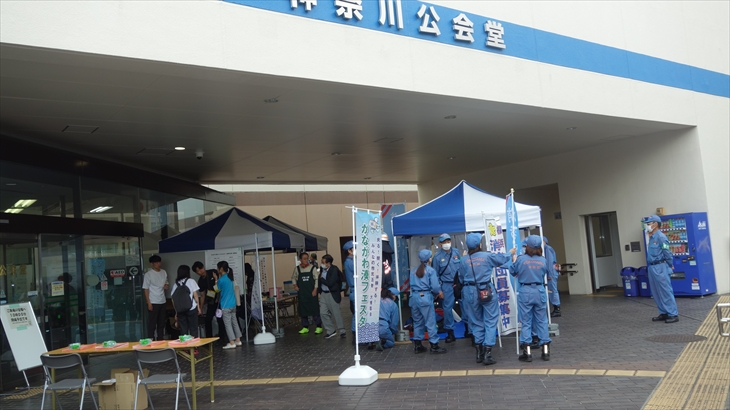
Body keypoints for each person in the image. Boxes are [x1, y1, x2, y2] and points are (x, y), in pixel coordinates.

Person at [459, 233, 515, 365]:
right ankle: (487, 352)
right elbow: (502, 259)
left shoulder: (463, 259)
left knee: (475, 320)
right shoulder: (487, 256)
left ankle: (479, 352)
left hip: (469, 291)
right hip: (485, 289)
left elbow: (461, 277)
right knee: (490, 320)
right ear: (480, 244)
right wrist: (510, 253)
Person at [509, 235, 552, 362]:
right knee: (542, 320)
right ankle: (545, 350)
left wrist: (514, 261)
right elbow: (547, 272)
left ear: (527, 246)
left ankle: (527, 352)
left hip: (526, 291)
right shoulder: (543, 260)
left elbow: (513, 271)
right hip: (540, 290)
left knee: (526, 321)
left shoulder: (521, 259)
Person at [409, 249, 447, 354]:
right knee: (430, 321)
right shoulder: (430, 271)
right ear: (429, 259)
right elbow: (435, 287)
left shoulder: (413, 271)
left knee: (417, 321)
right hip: (424, 297)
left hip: (414, 297)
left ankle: (418, 345)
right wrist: (439, 292)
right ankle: (434, 345)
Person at [643, 215, 679, 323]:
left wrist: (670, 264)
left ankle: (673, 314)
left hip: (660, 266)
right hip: (652, 267)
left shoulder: (661, 237)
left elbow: (667, 252)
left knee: (665, 291)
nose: (647, 226)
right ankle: (663, 312)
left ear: (655, 224)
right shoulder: (651, 237)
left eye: (649, 223)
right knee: (656, 292)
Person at [431, 233, 462, 343]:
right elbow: (435, 275)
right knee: (448, 309)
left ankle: (470, 330)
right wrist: (439, 290)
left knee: (465, 305)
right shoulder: (437, 257)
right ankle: (450, 332)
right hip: (446, 285)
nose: (447, 243)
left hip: (459, 284)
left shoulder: (456, 252)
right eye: (444, 242)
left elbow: (461, 267)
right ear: (440, 244)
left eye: (448, 241)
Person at [192, 261, 227, 342]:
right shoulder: (200, 281)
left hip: (220, 300)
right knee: (208, 319)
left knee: (220, 319)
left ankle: (222, 338)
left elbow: (221, 284)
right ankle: (209, 339)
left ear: (203, 267)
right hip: (211, 301)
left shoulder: (213, 272)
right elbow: (202, 295)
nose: (201, 271)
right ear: (196, 273)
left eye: (201, 268)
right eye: (198, 271)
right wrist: (200, 308)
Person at [317, 254, 347, 339]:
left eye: (323, 262)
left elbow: (330, 283)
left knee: (336, 313)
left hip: (332, 293)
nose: (322, 264)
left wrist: (321, 279)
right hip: (324, 293)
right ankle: (330, 330)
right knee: (323, 313)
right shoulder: (322, 269)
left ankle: (342, 330)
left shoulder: (334, 269)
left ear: (328, 263)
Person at [292, 252, 322, 334]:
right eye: (304, 259)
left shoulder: (312, 268)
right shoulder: (297, 269)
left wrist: (315, 289)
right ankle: (305, 327)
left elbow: (316, 279)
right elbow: (293, 278)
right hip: (302, 293)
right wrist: (295, 285)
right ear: (300, 260)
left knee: (314, 309)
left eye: (307, 259)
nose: (306, 260)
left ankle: (319, 326)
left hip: (312, 293)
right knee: (303, 310)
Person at [217, 261, 243, 349]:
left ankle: (232, 342)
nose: (217, 269)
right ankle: (238, 340)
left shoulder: (221, 280)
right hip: (233, 304)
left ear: (221, 269)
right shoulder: (230, 277)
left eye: (218, 268)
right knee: (234, 322)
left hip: (225, 305)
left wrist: (216, 279)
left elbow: (217, 290)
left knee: (228, 324)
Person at [170, 265, 201, 337]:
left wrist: (176, 312)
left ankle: (185, 344)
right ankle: (194, 344)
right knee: (193, 329)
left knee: (183, 330)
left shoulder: (175, 284)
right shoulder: (191, 281)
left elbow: (173, 300)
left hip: (180, 311)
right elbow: (195, 295)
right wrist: (198, 307)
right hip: (191, 308)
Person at [143, 255, 169, 340]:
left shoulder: (163, 272)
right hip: (153, 301)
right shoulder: (148, 274)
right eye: (156, 262)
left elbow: (166, 282)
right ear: (151, 264)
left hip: (162, 300)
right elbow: (146, 289)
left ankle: (160, 339)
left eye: (159, 262)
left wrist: (166, 285)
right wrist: (148, 303)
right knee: (152, 323)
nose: (159, 264)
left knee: (161, 323)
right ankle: (151, 340)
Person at [543, 236, 562, 317]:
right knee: (552, 290)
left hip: (551, 273)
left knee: (552, 290)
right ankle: (556, 308)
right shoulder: (546, 248)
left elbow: (549, 263)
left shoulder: (547, 248)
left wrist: (549, 274)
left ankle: (557, 309)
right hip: (551, 272)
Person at [343, 240, 357, 344]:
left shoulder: (351, 261)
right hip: (355, 289)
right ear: (349, 250)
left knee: (357, 314)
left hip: (355, 289)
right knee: (357, 314)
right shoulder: (350, 262)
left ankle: (356, 335)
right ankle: (355, 335)